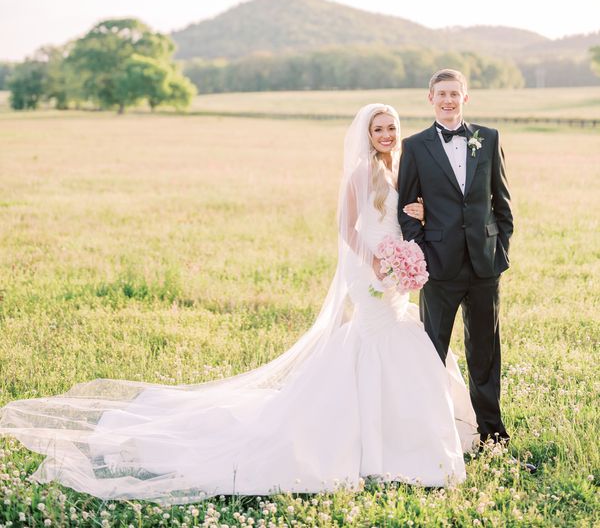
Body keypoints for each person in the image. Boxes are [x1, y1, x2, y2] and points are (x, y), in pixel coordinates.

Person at [0, 104, 477, 504]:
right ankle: (368, 445)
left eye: (391, 127)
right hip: (369, 267)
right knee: (378, 338)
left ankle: (401, 442)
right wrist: (375, 261)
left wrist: (411, 230)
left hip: (396, 268)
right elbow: (346, 228)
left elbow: (411, 213)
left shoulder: (403, 166)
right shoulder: (360, 173)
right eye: (378, 129)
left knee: (400, 337)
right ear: (366, 134)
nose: (387, 134)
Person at [397, 69, 513, 447]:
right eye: (441, 93)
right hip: (438, 269)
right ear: (430, 98)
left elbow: (502, 202)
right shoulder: (415, 147)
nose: (448, 100)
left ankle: (493, 435)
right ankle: (430, 438)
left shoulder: (488, 139)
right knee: (432, 355)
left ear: (466, 98)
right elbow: (405, 210)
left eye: (455, 93)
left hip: (484, 266)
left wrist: (499, 251)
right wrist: (422, 257)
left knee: (485, 355)